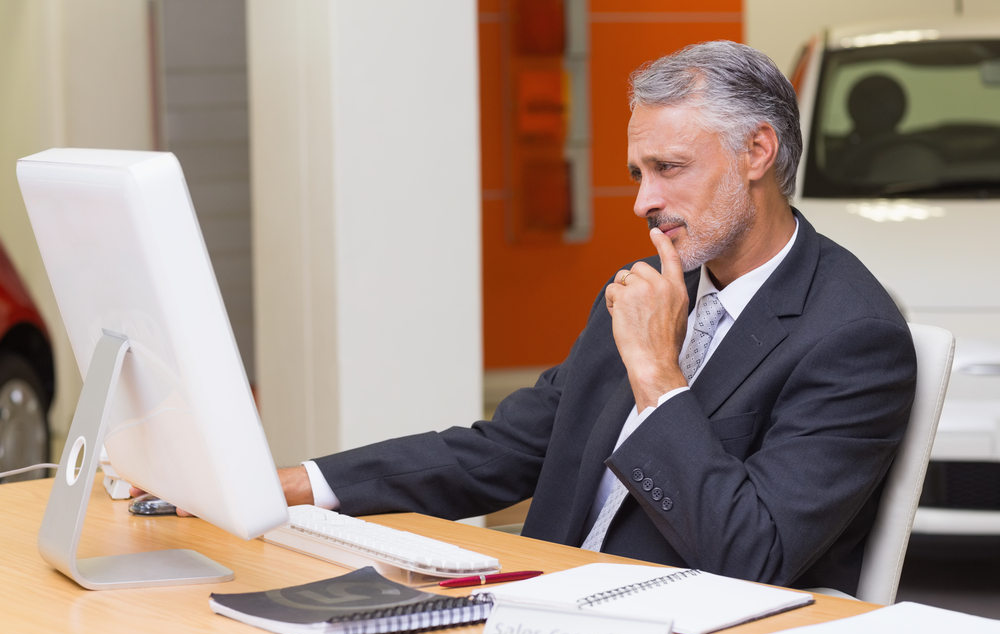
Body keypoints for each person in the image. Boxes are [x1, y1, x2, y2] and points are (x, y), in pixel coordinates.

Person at [277, 40, 916, 596]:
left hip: (678, 631)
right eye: (639, 173)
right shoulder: (655, 287)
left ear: (757, 151)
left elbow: (751, 553)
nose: (644, 200)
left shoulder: (853, 336)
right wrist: (301, 485)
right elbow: (508, 449)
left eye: (670, 168)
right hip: (538, 603)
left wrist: (657, 374)